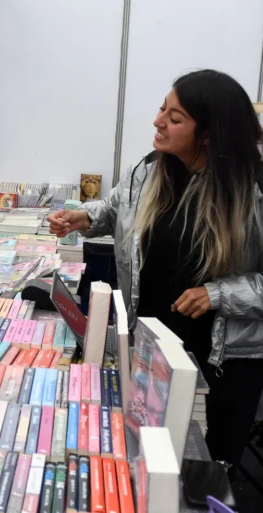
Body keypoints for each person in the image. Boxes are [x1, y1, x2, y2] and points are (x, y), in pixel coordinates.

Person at [47, 70, 263, 470]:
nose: (158, 120)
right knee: (150, 461)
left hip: (222, 365)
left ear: (209, 134)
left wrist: (218, 294)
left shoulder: (252, 188)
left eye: (175, 117)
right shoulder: (151, 168)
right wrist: (84, 216)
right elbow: (116, 208)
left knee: (203, 473)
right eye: (163, 108)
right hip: (153, 347)